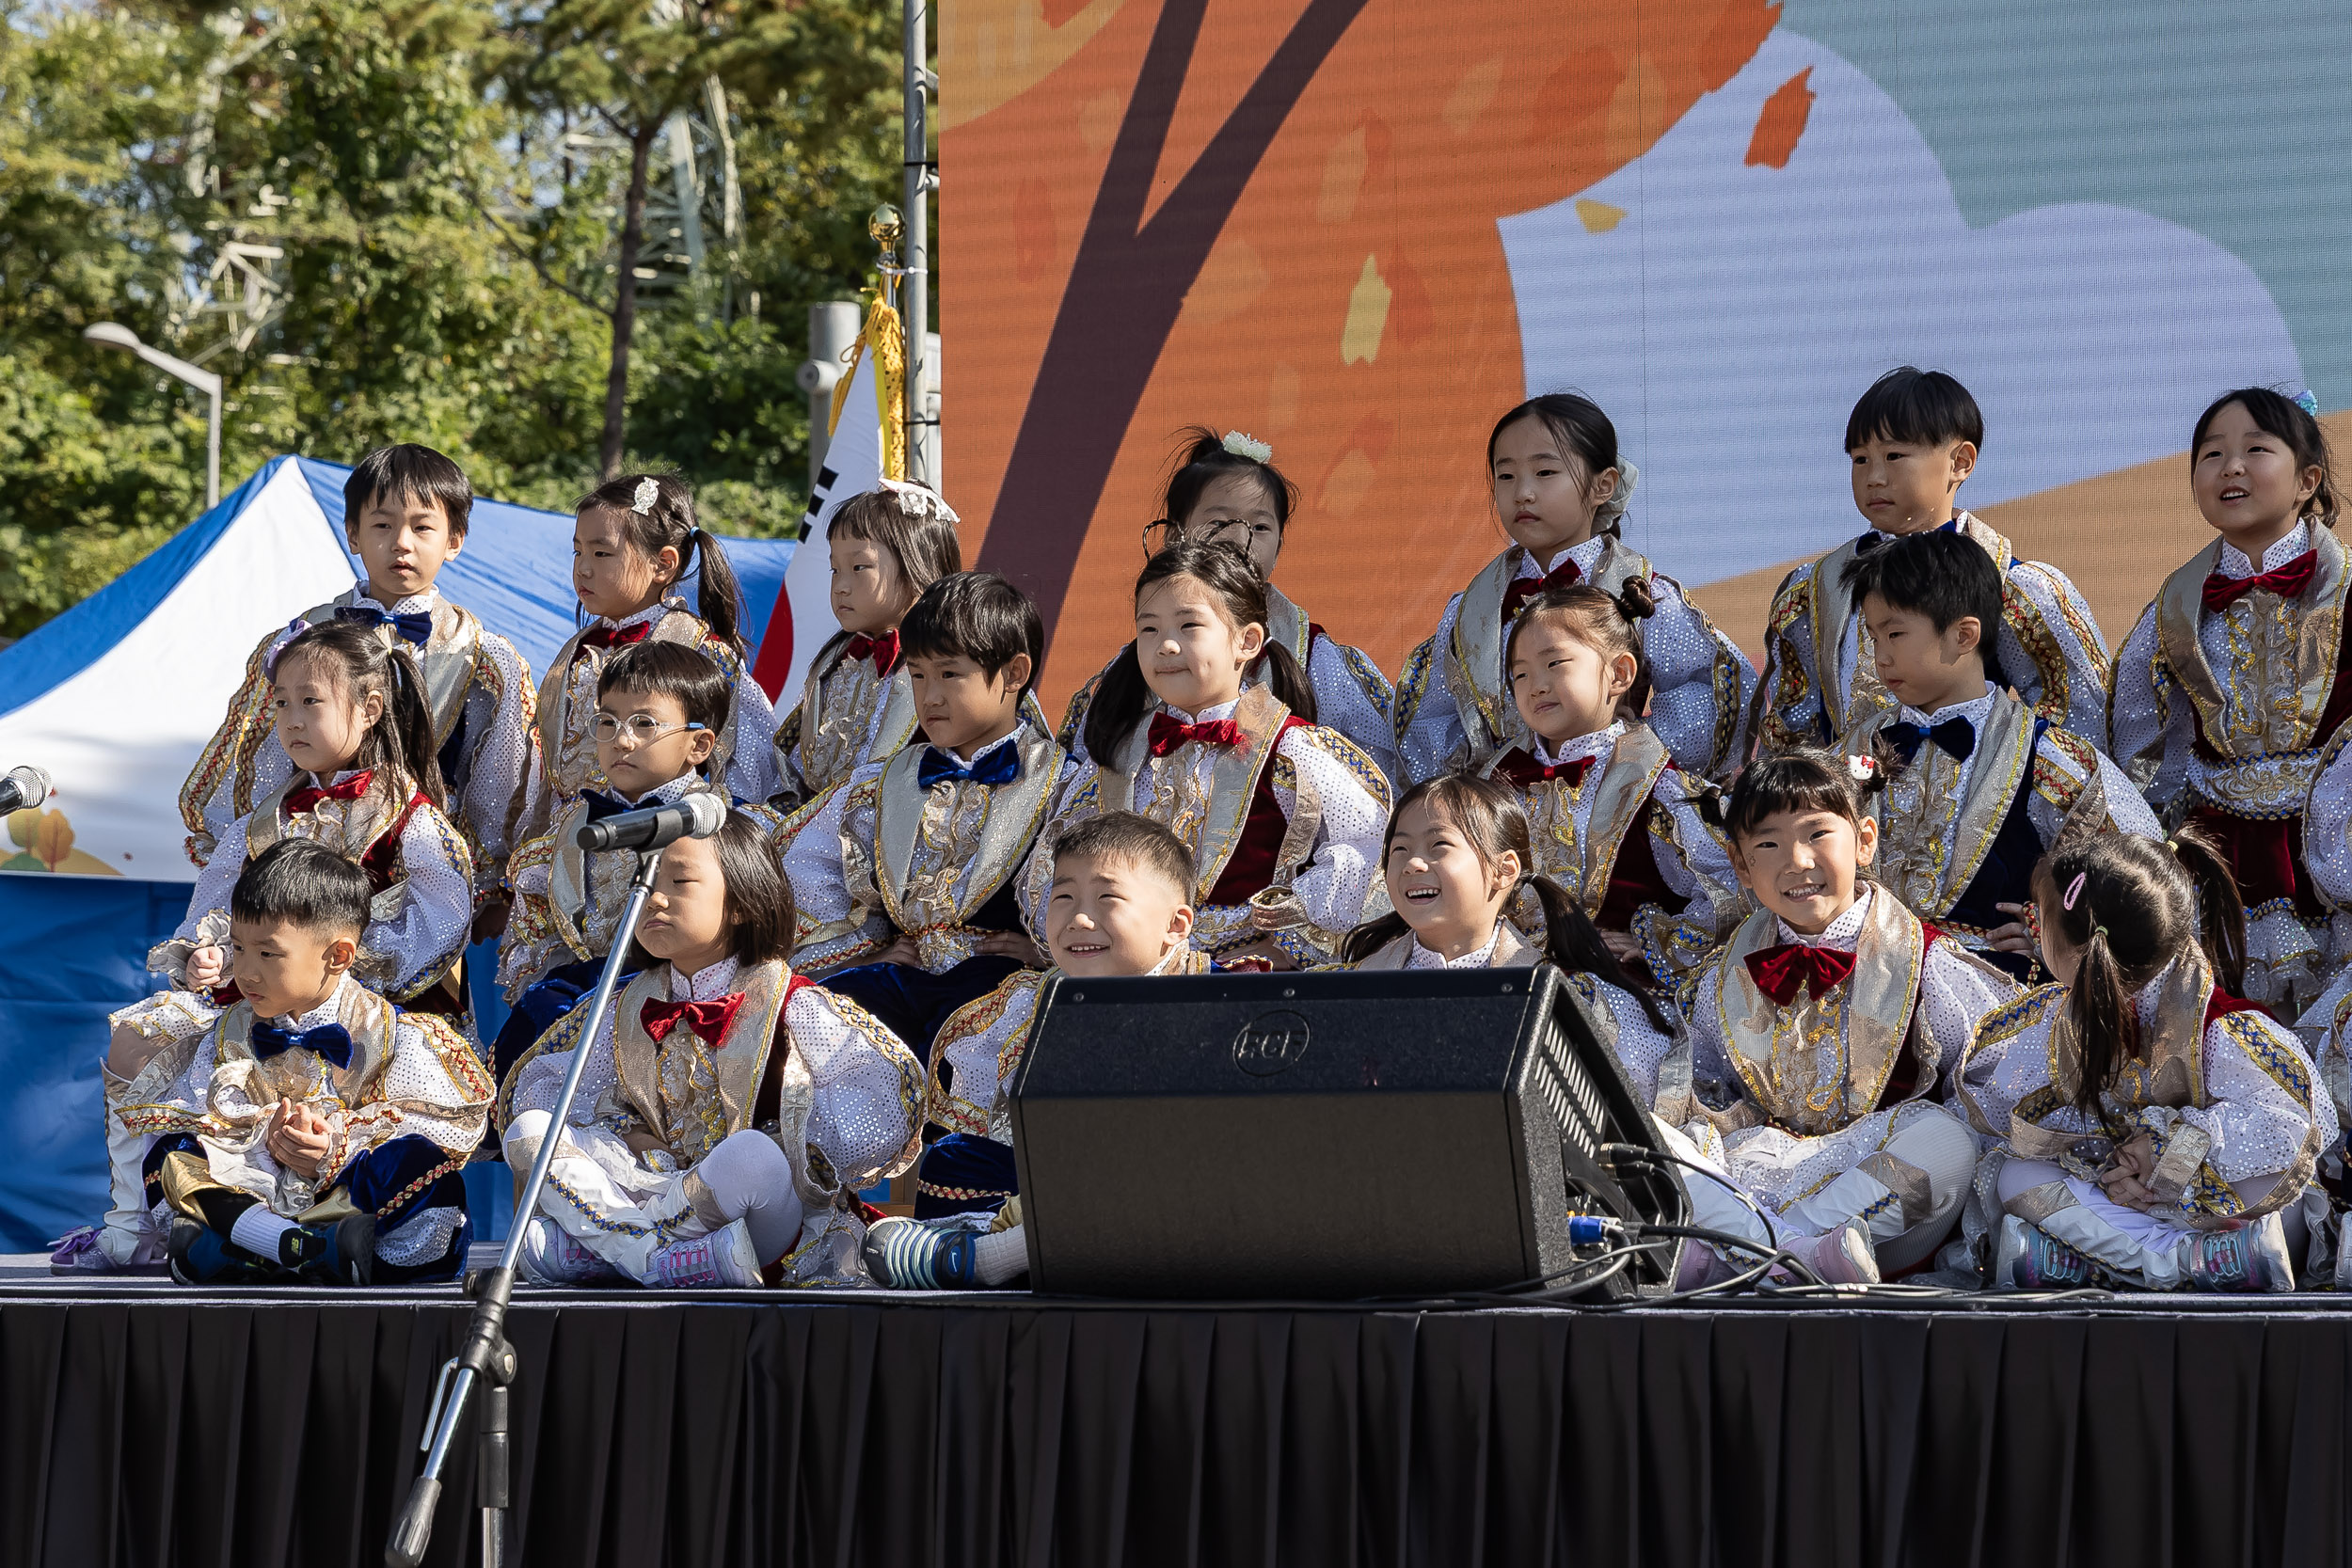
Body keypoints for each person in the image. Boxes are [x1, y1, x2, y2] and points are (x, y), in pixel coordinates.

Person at [1339, 773, 1772, 1289]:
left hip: (1535, 1196)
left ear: (1503, 872)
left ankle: (1774, 1250)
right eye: (1398, 849)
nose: (1412, 863)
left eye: (1438, 847)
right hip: (1406, 1193)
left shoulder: (1562, 993)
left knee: (1652, 1140)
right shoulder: (1355, 989)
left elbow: (1626, 1122)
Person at [498, 811, 923, 1288]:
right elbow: (560, 1094)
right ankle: (666, 1261)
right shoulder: (625, 1005)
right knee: (532, 1129)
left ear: (740, 901)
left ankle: (618, 1251)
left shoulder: (791, 1001)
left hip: (756, 1214)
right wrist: (630, 1133)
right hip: (654, 1189)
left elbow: (878, 1106)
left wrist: (791, 1136)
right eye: (645, 882)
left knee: (752, 1157)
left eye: (680, 881)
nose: (654, 899)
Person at [1672, 749, 2019, 1284]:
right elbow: (1708, 1089)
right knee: (1655, 1135)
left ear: (1864, 840)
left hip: (1876, 1210)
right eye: (1768, 844)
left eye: (1816, 835)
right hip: (1764, 1170)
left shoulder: (1927, 961)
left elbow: (1994, 1079)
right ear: (1741, 865)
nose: (1798, 862)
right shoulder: (1725, 975)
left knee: (1948, 1140)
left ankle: (1749, 1258)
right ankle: (1797, 1260)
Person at [180, 444, 536, 942]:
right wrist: (245, 856)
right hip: (300, 871)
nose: (401, 543)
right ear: (353, 533)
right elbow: (262, 757)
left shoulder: (484, 658)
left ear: (454, 539)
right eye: (383, 525)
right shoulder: (303, 639)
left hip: (418, 876)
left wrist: (492, 887)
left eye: (423, 526)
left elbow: (499, 783)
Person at [105, 841, 492, 1285]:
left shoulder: (392, 1034)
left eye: (267, 954)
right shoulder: (229, 1031)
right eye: (239, 949)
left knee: (426, 1168)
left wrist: (334, 1147)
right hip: (257, 1193)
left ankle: (249, 1252)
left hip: (347, 1200)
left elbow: (441, 1127)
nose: (247, 972)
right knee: (172, 1156)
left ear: (338, 956)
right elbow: (204, 1111)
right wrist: (257, 1132)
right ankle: (300, 1248)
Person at [1961, 831, 2330, 1291]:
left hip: (2204, 1208)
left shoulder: (2215, 1026)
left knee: (2283, 1191)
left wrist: (2166, 1154)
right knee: (2016, 1174)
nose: (2033, 928)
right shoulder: (2056, 1023)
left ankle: (2113, 1262)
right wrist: (2110, 1165)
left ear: (2075, 944)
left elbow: (2296, 1126)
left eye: (2040, 917)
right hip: (2131, 1205)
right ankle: (2183, 1263)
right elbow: (2015, 1121)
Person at [863, 812, 1210, 1287]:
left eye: (1107, 898)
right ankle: (1001, 1250)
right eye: (1062, 897)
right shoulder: (1031, 1000)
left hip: (1159, 1194)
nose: (1079, 918)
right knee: (953, 1159)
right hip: (1050, 1191)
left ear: (1175, 924)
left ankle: (988, 1259)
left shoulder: (1217, 1002)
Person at [1024, 536, 1391, 968]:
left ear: (1247, 641)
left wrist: (1287, 944)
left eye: (1188, 626)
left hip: (1247, 968)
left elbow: (1368, 851)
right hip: (1129, 968)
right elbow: (1053, 864)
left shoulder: (1292, 748)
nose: (1167, 645)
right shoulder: (1119, 759)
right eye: (1149, 629)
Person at [2114, 388, 2348, 1018]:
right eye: (2211, 454)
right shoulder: (2175, 609)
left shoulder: (2347, 590)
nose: (2231, 467)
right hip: (2220, 854)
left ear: (2307, 480)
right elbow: (2136, 736)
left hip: (2332, 838)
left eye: (2255, 450)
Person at [1836, 530, 2159, 979]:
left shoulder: (2049, 757)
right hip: (1866, 988)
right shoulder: (1853, 754)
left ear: (1965, 634)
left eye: (1895, 634)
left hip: (2000, 1000)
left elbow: (2142, 873)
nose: (1880, 657)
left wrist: (2058, 938)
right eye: (1873, 637)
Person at [1393, 393, 1755, 784]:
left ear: (1603, 485)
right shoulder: (1473, 609)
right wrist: (1477, 774)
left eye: (1545, 473)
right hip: (1501, 811)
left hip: (1612, 811)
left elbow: (1716, 691)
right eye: (1506, 475)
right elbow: (1429, 717)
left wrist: (1632, 753)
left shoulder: (1641, 594)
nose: (1523, 493)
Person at [779, 572, 1069, 1052]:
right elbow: (809, 864)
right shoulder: (882, 780)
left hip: (998, 983)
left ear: (1015, 673)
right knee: (811, 1018)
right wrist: (871, 950)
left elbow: (1087, 881)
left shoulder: (1060, 781)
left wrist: (1045, 949)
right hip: (900, 977)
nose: (929, 696)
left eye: (949, 674)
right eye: (917, 674)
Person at [1754, 368, 2111, 755]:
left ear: (1961, 461)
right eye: (1859, 459)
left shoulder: (2011, 584)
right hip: (1852, 806)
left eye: (1894, 456)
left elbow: (2076, 723)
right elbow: (1794, 733)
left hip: (1975, 805)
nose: (1874, 477)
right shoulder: (1818, 589)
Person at [1059, 428, 1402, 780]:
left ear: (1281, 544)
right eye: (1219, 522)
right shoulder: (1140, 664)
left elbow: (1374, 772)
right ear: (1175, 535)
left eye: (1261, 526)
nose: (1240, 539)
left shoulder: (1317, 659)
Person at [493, 641, 741, 1079]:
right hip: (572, 998)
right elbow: (536, 923)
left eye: (644, 724)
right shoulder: (573, 827)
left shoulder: (723, 829)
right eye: (607, 721)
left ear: (699, 744)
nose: (621, 739)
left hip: (674, 1006)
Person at [1487, 582, 1740, 989]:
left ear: (1619, 674)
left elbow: (1730, 885)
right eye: (1519, 674)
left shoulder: (1657, 785)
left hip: (1614, 988)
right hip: (1506, 981)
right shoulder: (1494, 786)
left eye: (1555, 664)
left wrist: (1657, 941)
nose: (1535, 685)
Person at [529, 472, 775, 833]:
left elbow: (749, 774)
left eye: (601, 553)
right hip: (571, 845)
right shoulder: (576, 653)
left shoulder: (702, 652)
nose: (582, 567)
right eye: (577, 551)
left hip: (665, 840)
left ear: (663, 564)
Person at [771, 481, 964, 809]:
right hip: (820, 824)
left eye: (859, 568)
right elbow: (795, 767)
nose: (841, 586)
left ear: (920, 565)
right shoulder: (834, 663)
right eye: (835, 569)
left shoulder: (959, 662)